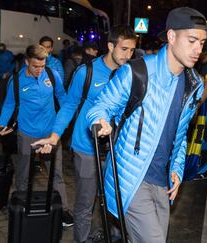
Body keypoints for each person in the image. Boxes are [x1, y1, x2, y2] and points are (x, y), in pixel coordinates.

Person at [86, 7, 207, 242]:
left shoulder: (195, 84)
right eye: (192, 41)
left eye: (202, 43)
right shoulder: (137, 72)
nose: (198, 50)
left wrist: (177, 168)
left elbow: (180, 134)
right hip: (131, 177)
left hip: (161, 181)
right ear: (171, 37)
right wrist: (100, 120)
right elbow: (101, 106)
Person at [32, 25, 137, 243]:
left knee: (115, 201)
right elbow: (69, 106)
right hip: (87, 148)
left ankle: (112, 237)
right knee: (85, 204)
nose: (128, 55)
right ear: (110, 46)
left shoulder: (131, 74)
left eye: (132, 50)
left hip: (117, 150)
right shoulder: (86, 72)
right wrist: (54, 136)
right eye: (124, 49)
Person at [0, 44, 73, 227]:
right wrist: (1, 122)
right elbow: (9, 104)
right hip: (27, 134)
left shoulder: (52, 75)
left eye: (42, 65)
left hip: (50, 134)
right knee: (24, 173)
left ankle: (62, 209)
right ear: (26, 62)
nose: (40, 70)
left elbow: (63, 98)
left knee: (56, 174)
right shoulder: (16, 80)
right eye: (35, 66)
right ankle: (21, 203)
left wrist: (66, 119)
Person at [0, 43, 14, 109]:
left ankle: (5, 110)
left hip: (5, 76)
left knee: (3, 94)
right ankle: (2, 110)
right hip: (0, 76)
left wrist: (8, 73)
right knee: (2, 94)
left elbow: (13, 64)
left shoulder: (8, 54)